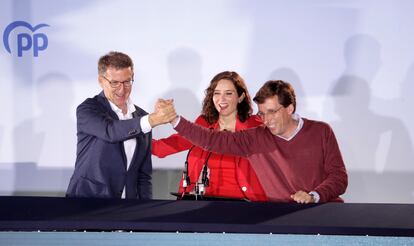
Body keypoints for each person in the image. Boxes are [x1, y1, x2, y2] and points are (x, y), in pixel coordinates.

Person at [170, 80, 348, 203]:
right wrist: (174, 119)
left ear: (290, 108)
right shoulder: (256, 137)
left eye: (272, 112)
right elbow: (211, 140)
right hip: (281, 219)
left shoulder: (321, 131)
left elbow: (339, 178)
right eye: (262, 113)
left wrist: (314, 196)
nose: (266, 119)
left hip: (322, 210)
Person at [66, 51, 176, 199]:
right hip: (88, 202)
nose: (122, 89)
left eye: (127, 81)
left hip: (127, 207)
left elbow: (143, 175)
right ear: (101, 80)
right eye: (114, 83)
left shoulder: (141, 117)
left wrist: (146, 210)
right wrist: (153, 119)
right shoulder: (88, 109)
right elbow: (111, 131)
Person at [152, 71, 267, 201]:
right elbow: (161, 148)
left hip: (246, 204)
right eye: (217, 93)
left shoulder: (255, 125)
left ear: (240, 97)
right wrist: (139, 127)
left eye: (228, 93)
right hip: (203, 203)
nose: (221, 99)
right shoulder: (204, 123)